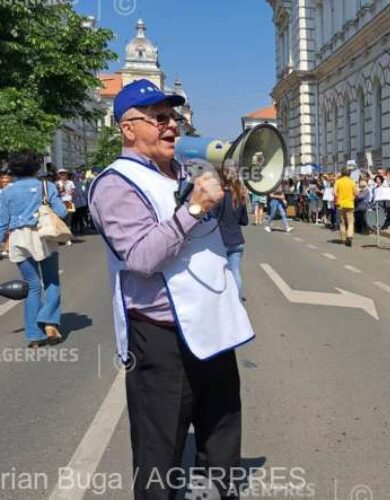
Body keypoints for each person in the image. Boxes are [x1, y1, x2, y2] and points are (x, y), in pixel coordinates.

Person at [88, 79, 254, 499]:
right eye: (158, 118)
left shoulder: (184, 171)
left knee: (222, 442)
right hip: (162, 339)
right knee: (159, 453)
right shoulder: (114, 184)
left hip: (213, 329)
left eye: (173, 117)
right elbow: (142, 257)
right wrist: (195, 207)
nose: (171, 126)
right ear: (128, 128)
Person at [0, 151, 67, 348]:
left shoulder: (7, 192)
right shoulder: (47, 186)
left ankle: (34, 335)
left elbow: (2, 224)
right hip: (43, 236)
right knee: (51, 281)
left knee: (32, 285)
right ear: (36, 167)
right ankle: (49, 321)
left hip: (19, 239)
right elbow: (61, 212)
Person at [214, 161, 249, 301]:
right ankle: (237, 301)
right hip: (237, 240)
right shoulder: (239, 196)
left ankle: (223, 302)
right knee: (235, 273)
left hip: (220, 240)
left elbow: (213, 218)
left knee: (218, 274)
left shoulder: (218, 196)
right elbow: (244, 221)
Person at [334, 166, 357, 246]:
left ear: (342, 173)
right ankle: (349, 236)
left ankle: (343, 238)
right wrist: (352, 197)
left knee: (342, 222)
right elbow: (356, 193)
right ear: (349, 174)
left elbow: (334, 192)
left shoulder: (338, 181)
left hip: (340, 205)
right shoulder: (352, 182)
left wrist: (338, 198)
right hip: (350, 204)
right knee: (350, 222)